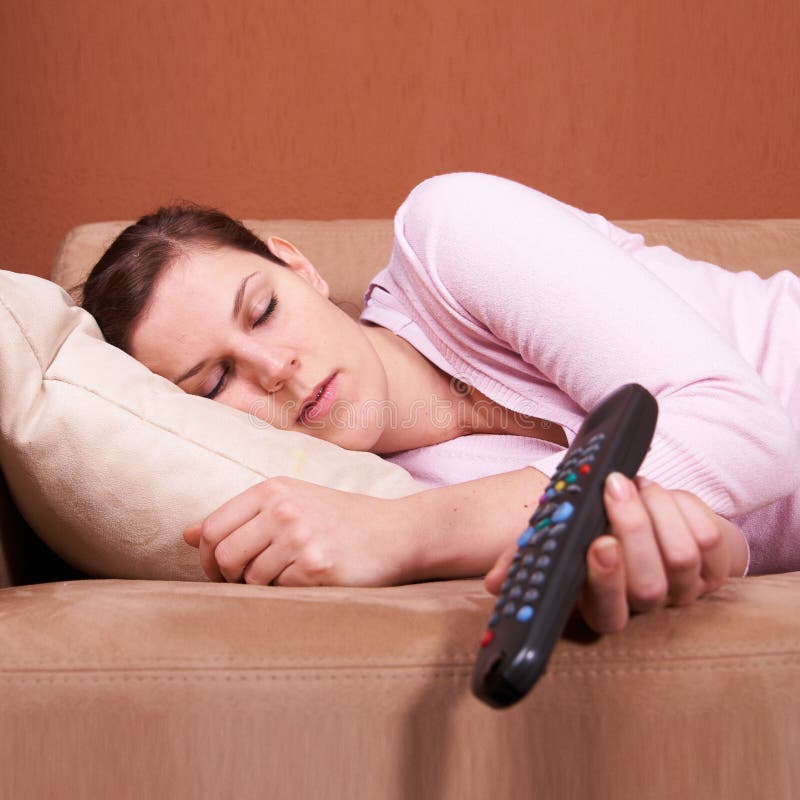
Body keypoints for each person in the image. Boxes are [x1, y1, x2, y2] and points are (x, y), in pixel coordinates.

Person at [81, 172, 800, 633]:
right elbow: (735, 533)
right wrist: (684, 555)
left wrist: (403, 534)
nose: (275, 370)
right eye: (213, 383)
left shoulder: (449, 233)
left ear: (297, 266)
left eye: (264, 309)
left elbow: (750, 430)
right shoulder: (377, 492)